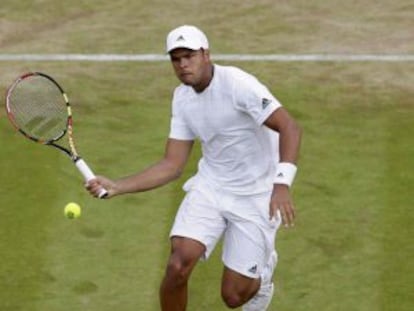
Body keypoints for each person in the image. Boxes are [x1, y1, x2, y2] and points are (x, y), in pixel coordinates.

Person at [86, 25, 302, 311]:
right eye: (176, 59)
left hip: (256, 194)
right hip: (211, 187)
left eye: (189, 56)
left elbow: (289, 126)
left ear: (206, 54)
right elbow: (172, 164)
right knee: (178, 264)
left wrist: (282, 183)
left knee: (234, 297)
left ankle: (261, 278)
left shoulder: (239, 84)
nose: (183, 65)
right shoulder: (182, 98)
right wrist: (118, 185)